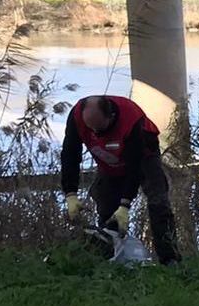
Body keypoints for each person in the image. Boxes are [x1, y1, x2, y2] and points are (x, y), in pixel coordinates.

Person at [59, 94, 182, 264]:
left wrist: (125, 204)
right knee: (106, 205)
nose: (96, 134)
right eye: (91, 129)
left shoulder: (131, 118)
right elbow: (70, 155)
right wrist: (70, 193)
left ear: (111, 116)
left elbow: (134, 166)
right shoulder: (77, 116)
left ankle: (170, 259)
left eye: (100, 129)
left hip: (143, 156)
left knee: (158, 201)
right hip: (108, 160)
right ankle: (110, 258)